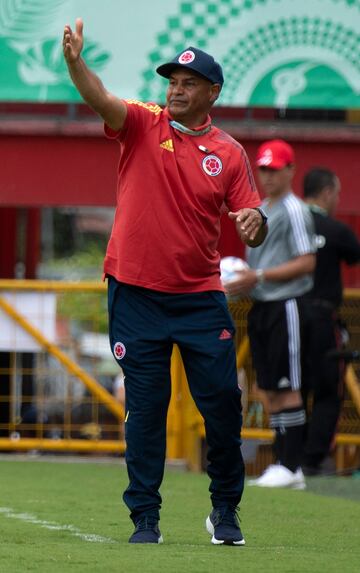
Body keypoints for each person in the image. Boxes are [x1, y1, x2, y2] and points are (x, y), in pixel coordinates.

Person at [63, 19, 267, 545]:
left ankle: (225, 510)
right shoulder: (142, 123)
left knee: (223, 404)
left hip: (200, 298)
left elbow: (254, 219)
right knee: (146, 412)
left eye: (188, 83)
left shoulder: (231, 153)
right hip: (135, 294)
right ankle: (145, 519)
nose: (175, 90)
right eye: (172, 81)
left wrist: (253, 223)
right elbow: (101, 98)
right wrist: (75, 65)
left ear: (211, 93)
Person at [225, 139, 316, 489]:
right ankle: (282, 462)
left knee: (287, 385)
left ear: (291, 170)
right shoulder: (263, 207)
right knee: (270, 387)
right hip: (264, 304)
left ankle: (291, 464)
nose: (268, 176)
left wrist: (258, 276)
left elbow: (307, 261)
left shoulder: (294, 209)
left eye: (275, 169)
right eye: (263, 168)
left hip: (287, 303)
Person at [302, 167, 360, 475]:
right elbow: (354, 254)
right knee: (327, 389)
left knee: (293, 387)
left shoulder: (288, 224)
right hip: (323, 319)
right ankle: (312, 459)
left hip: (290, 316)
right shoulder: (336, 230)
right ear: (326, 193)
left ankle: (290, 456)